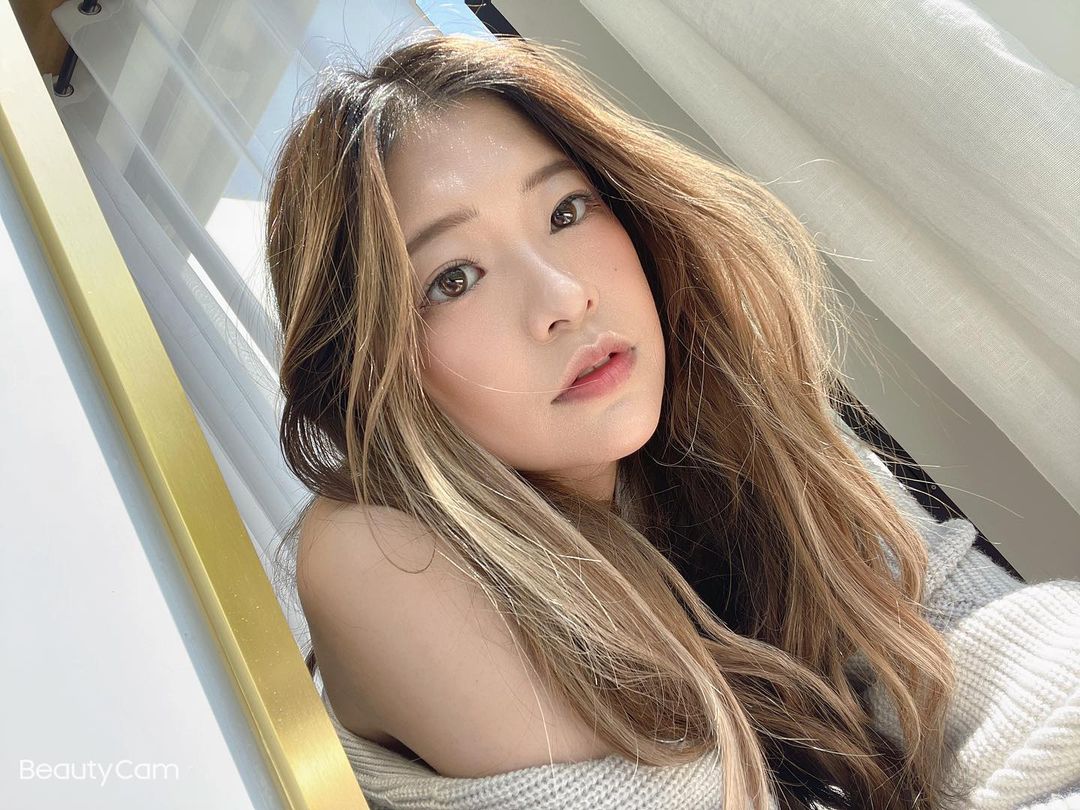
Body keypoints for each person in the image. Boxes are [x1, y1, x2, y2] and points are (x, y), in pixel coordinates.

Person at [263, 31, 1080, 810]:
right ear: (367, 367)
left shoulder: (732, 422)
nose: (564, 297)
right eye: (455, 278)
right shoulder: (373, 554)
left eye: (566, 210)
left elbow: (998, 661)